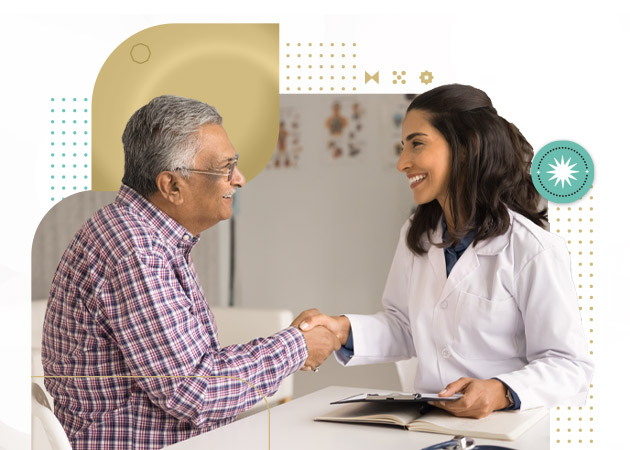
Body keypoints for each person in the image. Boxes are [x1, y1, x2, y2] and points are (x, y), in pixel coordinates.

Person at [41, 95, 340, 450]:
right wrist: (297, 346)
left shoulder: (151, 236)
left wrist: (294, 344)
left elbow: (195, 372)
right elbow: (193, 390)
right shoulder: (136, 250)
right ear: (171, 186)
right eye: (225, 167)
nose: (239, 179)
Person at [295, 84, 594, 419]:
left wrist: (501, 391)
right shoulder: (417, 234)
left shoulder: (530, 248)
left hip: (503, 428)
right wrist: (342, 329)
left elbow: (569, 365)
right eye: (402, 146)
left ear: (464, 148)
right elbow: (406, 326)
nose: (402, 163)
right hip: (427, 420)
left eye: (416, 144)